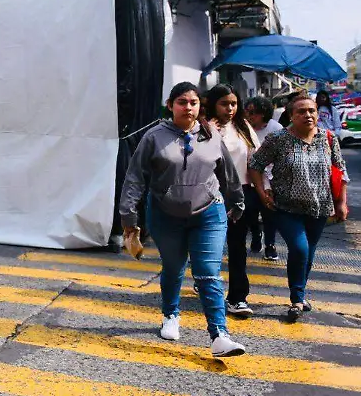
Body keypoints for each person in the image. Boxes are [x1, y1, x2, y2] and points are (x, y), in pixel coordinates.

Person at [119, 82, 247, 357]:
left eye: (193, 102)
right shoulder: (154, 137)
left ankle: (219, 335)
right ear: (170, 105)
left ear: (200, 106)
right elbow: (135, 177)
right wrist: (128, 216)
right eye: (181, 102)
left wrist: (237, 201)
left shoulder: (212, 135)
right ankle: (170, 314)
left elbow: (227, 173)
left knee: (207, 272)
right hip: (166, 215)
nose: (187, 107)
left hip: (209, 212)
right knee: (174, 267)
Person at [248, 93, 349, 322]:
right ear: (291, 115)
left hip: (319, 206)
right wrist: (262, 192)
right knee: (300, 249)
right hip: (286, 207)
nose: (308, 115)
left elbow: (340, 170)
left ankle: (300, 295)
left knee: (309, 254)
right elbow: (255, 165)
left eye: (311, 110)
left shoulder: (328, 138)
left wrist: (341, 202)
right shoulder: (278, 139)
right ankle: (296, 299)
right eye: (301, 111)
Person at [201, 84, 260, 320]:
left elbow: (256, 158)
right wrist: (207, 133)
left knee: (237, 247)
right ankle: (205, 281)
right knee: (207, 246)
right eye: (225, 103)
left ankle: (237, 297)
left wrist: (262, 190)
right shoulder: (202, 127)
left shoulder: (243, 127)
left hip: (240, 193)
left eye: (234, 103)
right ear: (214, 104)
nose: (230, 108)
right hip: (208, 193)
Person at [245, 95, 283, 260]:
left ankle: (270, 244)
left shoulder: (276, 129)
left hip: (270, 178)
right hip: (248, 177)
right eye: (247, 112)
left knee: (269, 211)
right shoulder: (243, 127)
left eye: (253, 113)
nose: (250, 116)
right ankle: (255, 234)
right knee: (251, 211)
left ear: (264, 113)